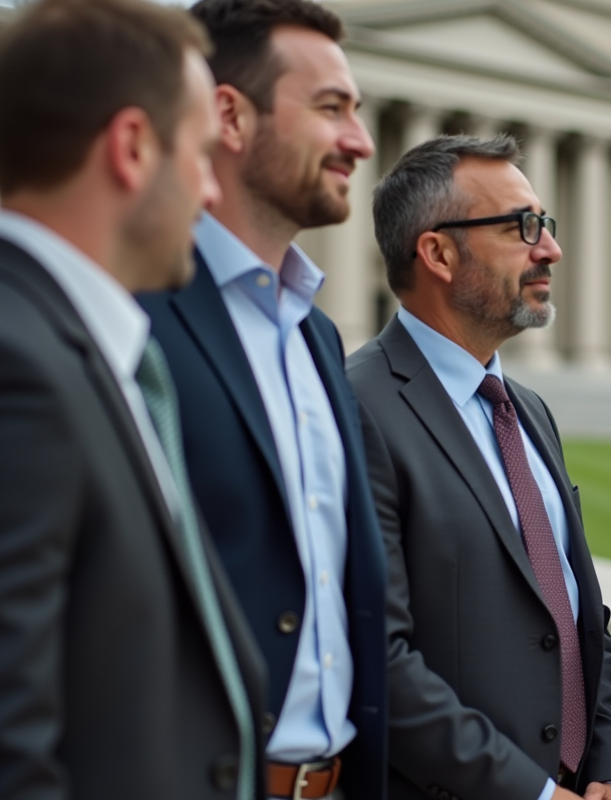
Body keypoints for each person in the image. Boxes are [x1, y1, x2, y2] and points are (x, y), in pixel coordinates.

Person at [0, 1, 270, 798]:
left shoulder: (81, 351)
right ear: (130, 149)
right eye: (198, 153)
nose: (212, 194)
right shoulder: (20, 369)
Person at [137, 1, 387, 798]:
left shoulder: (317, 336)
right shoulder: (131, 316)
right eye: (330, 109)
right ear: (229, 117)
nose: (361, 141)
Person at [347, 135, 611, 800]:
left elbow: (578, 617)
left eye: (546, 224)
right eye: (521, 227)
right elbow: (380, 659)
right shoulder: (356, 406)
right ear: (439, 253)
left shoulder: (529, 411)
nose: (551, 249)